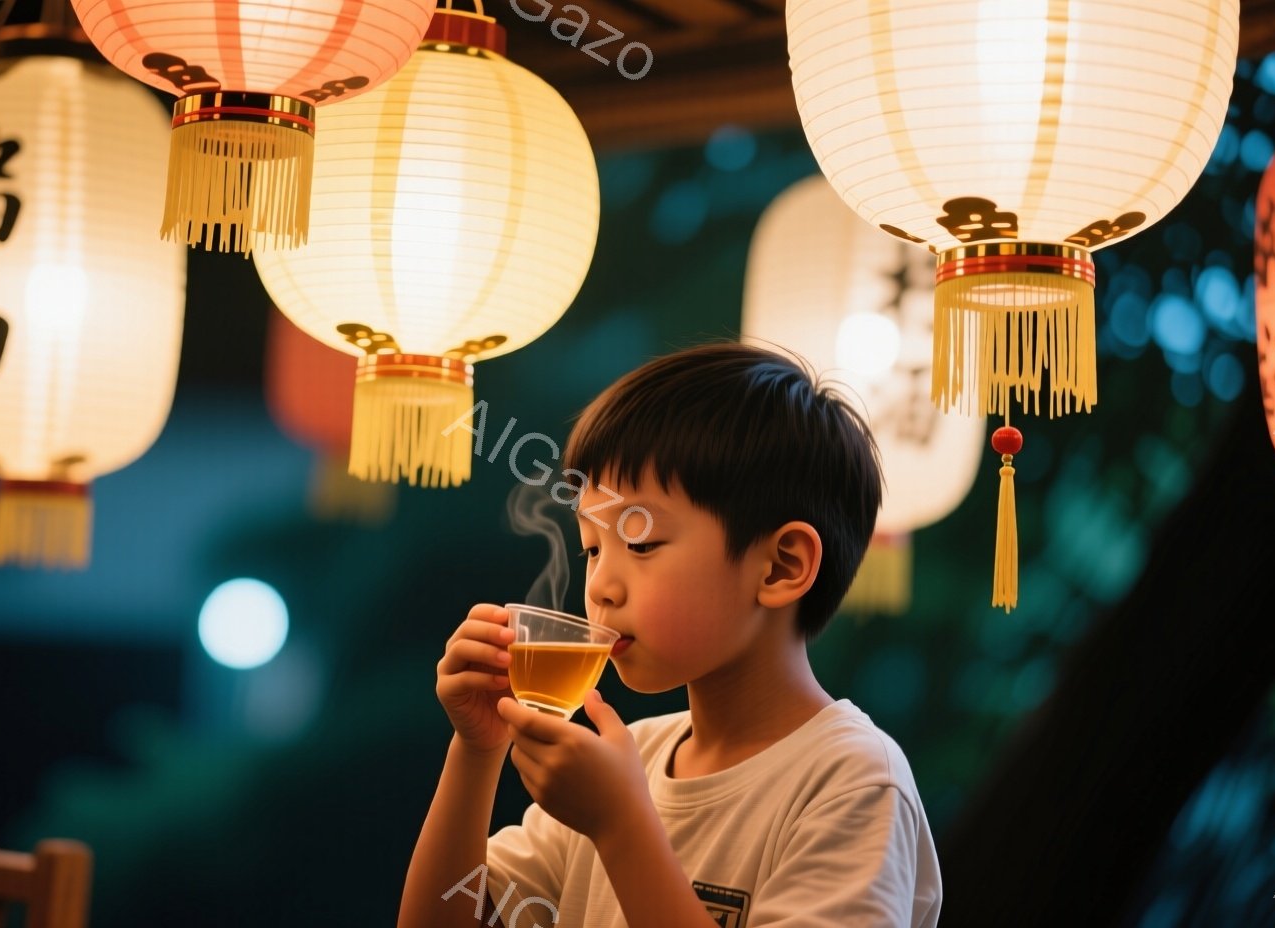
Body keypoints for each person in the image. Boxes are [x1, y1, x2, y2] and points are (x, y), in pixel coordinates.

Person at [399, 343, 942, 928]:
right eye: (591, 548)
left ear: (781, 566)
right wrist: (477, 753)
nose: (601, 586)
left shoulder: (851, 782)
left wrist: (620, 826)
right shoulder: (632, 761)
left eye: (641, 543)